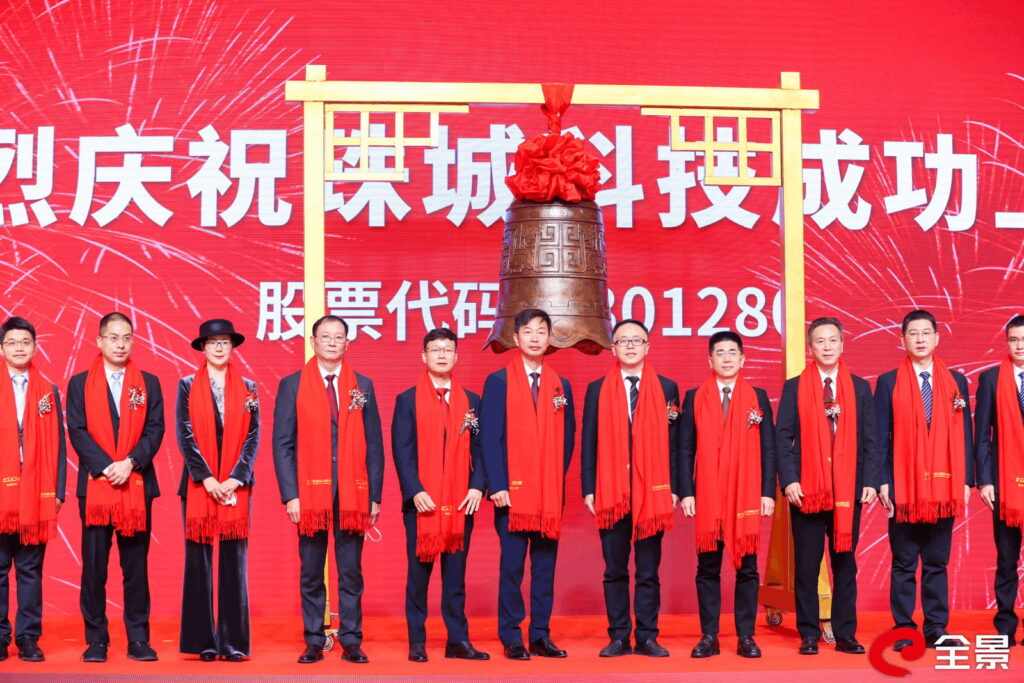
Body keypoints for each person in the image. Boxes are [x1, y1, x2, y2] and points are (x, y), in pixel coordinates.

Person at [272, 315, 383, 664]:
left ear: (347, 343)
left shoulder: (362, 385)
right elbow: (283, 444)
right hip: (309, 494)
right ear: (313, 342)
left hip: (353, 493)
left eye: (339, 337)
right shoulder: (292, 385)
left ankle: (351, 639)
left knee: (351, 572)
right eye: (326, 337)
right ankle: (313, 640)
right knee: (311, 571)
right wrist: (291, 495)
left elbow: (374, 445)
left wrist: (374, 496)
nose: (332, 342)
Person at [66, 312, 165, 663]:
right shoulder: (79, 383)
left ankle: (138, 638)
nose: (120, 344)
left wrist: (131, 462)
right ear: (99, 341)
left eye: (126, 338)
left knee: (135, 568)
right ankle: (96, 640)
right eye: (113, 337)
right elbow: (77, 430)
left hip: (136, 485)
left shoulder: (149, 383)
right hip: (96, 486)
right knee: (94, 568)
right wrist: (108, 466)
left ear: (133, 341)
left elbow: (155, 429)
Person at [777, 317, 878, 655]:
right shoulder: (795, 387)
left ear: (842, 344)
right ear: (811, 347)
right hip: (806, 489)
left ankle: (846, 633)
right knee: (807, 565)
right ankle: (808, 632)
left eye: (832, 340)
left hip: (848, 489)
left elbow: (871, 440)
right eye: (820, 341)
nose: (827, 346)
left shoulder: (859, 388)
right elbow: (782, 437)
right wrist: (789, 480)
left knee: (845, 563)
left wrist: (870, 481)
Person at [481, 308, 575, 660]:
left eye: (541, 331)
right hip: (511, 495)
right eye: (528, 332)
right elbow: (490, 439)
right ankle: (511, 635)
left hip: (548, 496)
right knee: (512, 568)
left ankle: (540, 635)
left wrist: (552, 480)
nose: (535, 338)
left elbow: (568, 439)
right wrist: (498, 484)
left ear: (550, 339)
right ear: (515, 338)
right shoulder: (498, 382)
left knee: (545, 569)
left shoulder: (561, 386)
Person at [581, 319, 679, 658]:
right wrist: (589, 488)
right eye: (624, 341)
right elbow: (589, 441)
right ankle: (619, 636)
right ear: (613, 348)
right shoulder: (597, 389)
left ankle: (648, 636)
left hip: (653, 490)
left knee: (649, 571)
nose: (631, 346)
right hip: (611, 491)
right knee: (615, 569)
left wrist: (675, 488)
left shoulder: (667, 388)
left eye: (637, 340)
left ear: (648, 347)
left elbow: (676, 444)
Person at [875, 309, 973, 649]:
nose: (919, 339)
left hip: (945, 486)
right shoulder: (888, 382)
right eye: (913, 334)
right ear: (902, 339)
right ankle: (904, 629)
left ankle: (936, 629)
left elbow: (965, 435)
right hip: (903, 486)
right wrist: (883, 480)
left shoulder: (956, 382)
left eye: (925, 333)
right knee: (903, 562)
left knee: (936, 562)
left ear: (936, 338)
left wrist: (966, 481)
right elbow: (880, 437)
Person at [392, 328, 489, 663]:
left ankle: (457, 640)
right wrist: (415, 490)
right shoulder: (407, 400)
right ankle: (417, 640)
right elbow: (402, 451)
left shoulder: (472, 401)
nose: (442, 355)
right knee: (418, 577)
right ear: (424, 356)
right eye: (435, 349)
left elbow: (482, 448)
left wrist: (477, 486)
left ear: (456, 356)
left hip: (461, 502)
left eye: (448, 349)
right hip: (422, 503)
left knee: (456, 577)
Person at [679, 330, 776, 659]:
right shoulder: (694, 397)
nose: (726, 358)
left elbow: (768, 448)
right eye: (719, 353)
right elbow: (685, 449)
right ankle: (709, 635)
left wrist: (767, 492)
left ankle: (746, 636)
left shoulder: (757, 397)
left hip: (745, 496)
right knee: (707, 568)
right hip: (708, 496)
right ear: (710, 360)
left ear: (743, 359)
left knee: (747, 568)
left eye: (732, 352)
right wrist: (687, 492)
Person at [176, 319, 259, 661]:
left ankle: (233, 643)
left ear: (233, 346)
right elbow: (185, 433)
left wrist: (236, 478)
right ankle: (203, 643)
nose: (219, 347)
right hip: (200, 485)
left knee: (234, 563)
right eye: (213, 342)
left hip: (236, 485)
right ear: (203, 347)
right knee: (199, 564)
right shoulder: (186, 385)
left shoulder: (249, 387)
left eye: (225, 341)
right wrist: (206, 478)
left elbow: (253, 436)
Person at [0, 317, 67, 662]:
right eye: (12, 342)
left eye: (25, 342)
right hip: (1, 493)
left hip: (36, 492)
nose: (19, 348)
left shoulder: (47, 390)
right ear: (1, 349)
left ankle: (28, 637)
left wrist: (58, 491)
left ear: (35, 346)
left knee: (30, 570)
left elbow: (59, 446)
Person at [976, 314, 1024, 645]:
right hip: (1004, 484)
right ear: (1006, 343)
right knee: (1007, 559)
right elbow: (982, 435)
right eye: (1014, 340)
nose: (1020, 346)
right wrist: (985, 480)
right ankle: (1005, 625)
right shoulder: (992, 379)